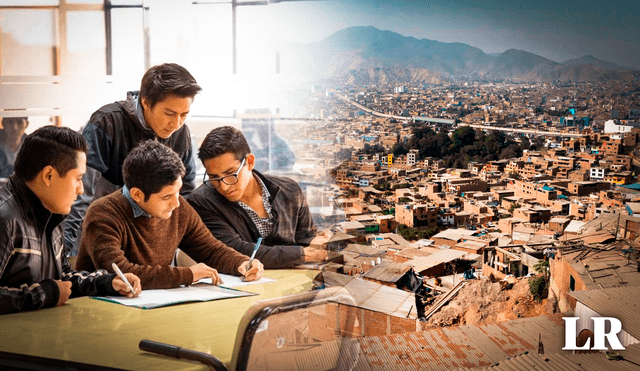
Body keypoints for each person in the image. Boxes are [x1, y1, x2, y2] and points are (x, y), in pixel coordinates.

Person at [75, 140, 263, 289]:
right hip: (102, 312)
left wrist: (243, 262)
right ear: (137, 195)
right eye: (166, 196)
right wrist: (187, 275)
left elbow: (210, 249)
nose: (176, 202)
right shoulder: (103, 214)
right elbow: (122, 273)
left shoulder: (178, 206)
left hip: (155, 305)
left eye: (178, 192)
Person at [63, 63, 201, 257]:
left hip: (150, 238)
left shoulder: (180, 134)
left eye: (183, 115)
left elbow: (185, 192)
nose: (176, 123)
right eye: (169, 113)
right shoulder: (107, 122)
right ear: (145, 101)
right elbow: (79, 193)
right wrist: (64, 250)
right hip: (104, 232)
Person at [0, 126, 141, 315]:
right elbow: (53, 289)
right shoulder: (4, 218)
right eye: (78, 178)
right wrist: (46, 294)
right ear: (48, 176)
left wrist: (107, 282)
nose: (81, 189)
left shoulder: (50, 212)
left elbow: (62, 280)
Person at [187, 126, 329, 269]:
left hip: (294, 280)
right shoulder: (201, 202)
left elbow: (306, 240)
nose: (224, 187)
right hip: (242, 285)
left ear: (249, 162)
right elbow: (234, 251)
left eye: (230, 174)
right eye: (214, 177)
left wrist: (320, 243)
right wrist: (303, 255)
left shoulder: (290, 191)